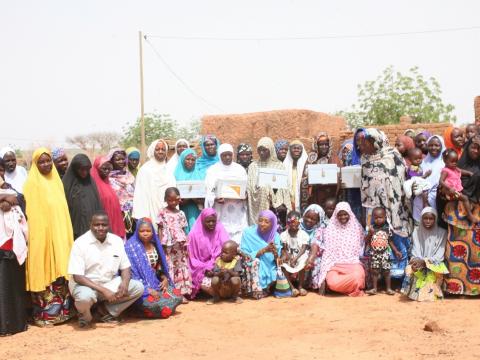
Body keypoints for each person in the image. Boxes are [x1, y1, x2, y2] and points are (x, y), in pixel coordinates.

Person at [23, 148, 74, 327]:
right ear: (35, 165)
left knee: (60, 271)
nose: (46, 165)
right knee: (44, 270)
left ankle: (63, 313)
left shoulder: (57, 182)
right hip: (41, 238)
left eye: (48, 161)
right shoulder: (31, 184)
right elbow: (32, 216)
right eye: (41, 162)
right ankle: (44, 316)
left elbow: (63, 213)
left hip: (59, 236)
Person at [68, 212, 144, 328]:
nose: (100, 228)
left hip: (109, 283)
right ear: (90, 225)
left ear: (109, 225)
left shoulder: (116, 241)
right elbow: (77, 277)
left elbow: (125, 267)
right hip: (86, 285)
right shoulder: (80, 243)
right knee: (84, 298)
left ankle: (104, 312)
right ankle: (85, 317)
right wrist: (104, 291)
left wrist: (124, 283)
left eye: (104, 225)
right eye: (96, 225)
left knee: (138, 287)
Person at [353, 128, 411, 279]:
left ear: (374, 141)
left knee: (396, 237)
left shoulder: (392, 154)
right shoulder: (364, 159)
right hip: (375, 209)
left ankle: (399, 274)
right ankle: (379, 277)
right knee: (377, 238)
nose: (360, 146)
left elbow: (400, 178)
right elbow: (366, 184)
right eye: (358, 143)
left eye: (363, 143)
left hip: (395, 206)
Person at [125, 217, 182, 318]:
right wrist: (148, 290)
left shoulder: (155, 245)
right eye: (142, 231)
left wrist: (164, 279)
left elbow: (158, 268)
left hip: (156, 283)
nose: (145, 233)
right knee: (152, 303)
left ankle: (159, 309)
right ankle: (153, 309)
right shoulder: (130, 247)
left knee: (178, 296)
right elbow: (129, 273)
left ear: (152, 231)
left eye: (148, 231)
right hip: (141, 289)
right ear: (137, 231)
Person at [314, 202, 365, 296]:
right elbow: (326, 250)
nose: (343, 217)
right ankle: (350, 288)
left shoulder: (357, 228)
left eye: (345, 214)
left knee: (359, 277)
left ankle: (345, 288)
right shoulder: (329, 229)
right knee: (332, 282)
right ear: (336, 215)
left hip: (353, 263)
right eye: (340, 215)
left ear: (350, 213)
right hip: (334, 264)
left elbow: (363, 245)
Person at [0, 175, 28, 335]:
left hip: (11, 247)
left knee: (14, 286)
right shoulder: (10, 195)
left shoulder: (12, 192)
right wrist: (6, 198)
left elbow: (20, 199)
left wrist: (9, 198)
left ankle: (16, 324)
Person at [401, 207, 448, 301]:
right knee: (409, 268)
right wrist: (416, 261)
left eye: (431, 219)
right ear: (421, 219)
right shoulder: (416, 231)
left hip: (434, 264)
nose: (428, 221)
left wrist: (426, 262)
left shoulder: (442, 233)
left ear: (435, 219)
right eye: (425, 218)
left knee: (429, 291)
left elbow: (439, 255)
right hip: (419, 261)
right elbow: (415, 250)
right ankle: (412, 292)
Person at [205, 143, 248, 244]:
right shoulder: (213, 170)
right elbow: (208, 191)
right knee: (222, 239)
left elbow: (245, 188)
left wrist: (244, 196)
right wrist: (215, 198)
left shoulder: (240, 169)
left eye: (229, 154)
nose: (227, 157)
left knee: (239, 237)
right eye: (224, 155)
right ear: (219, 156)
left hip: (238, 209)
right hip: (221, 209)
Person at [157, 187, 192, 302]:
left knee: (180, 267)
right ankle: (172, 293)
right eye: (170, 200)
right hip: (167, 245)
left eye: (175, 200)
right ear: (165, 200)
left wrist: (186, 245)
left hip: (180, 245)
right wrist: (160, 244)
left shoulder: (181, 213)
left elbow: (183, 229)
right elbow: (160, 229)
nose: (173, 203)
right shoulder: (162, 212)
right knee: (169, 267)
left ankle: (181, 293)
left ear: (179, 199)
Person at [247, 137, 291, 226]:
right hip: (258, 202)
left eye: (265, 150)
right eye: (259, 150)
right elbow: (250, 186)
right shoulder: (253, 166)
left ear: (271, 149)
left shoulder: (279, 165)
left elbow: (285, 186)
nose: (261, 152)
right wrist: (263, 189)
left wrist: (272, 195)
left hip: (275, 206)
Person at [188, 208, 230, 299]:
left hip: (217, 265)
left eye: (213, 221)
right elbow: (191, 258)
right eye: (208, 221)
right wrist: (205, 268)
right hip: (200, 269)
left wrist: (215, 265)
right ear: (202, 221)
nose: (211, 224)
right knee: (210, 288)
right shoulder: (194, 235)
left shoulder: (219, 229)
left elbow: (227, 247)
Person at [133, 139, 175, 223]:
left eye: (163, 149)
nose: (160, 152)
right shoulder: (145, 170)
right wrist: (143, 217)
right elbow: (140, 196)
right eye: (157, 149)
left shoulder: (169, 170)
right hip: (149, 214)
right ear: (152, 151)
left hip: (168, 213)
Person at [240, 210, 282, 295]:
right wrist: (264, 250)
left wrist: (274, 252)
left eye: (267, 222)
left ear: (273, 223)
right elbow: (244, 254)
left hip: (270, 266)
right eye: (260, 220)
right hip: (252, 264)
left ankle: (266, 288)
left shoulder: (276, 236)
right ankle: (257, 290)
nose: (262, 224)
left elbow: (277, 259)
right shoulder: (248, 233)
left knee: (276, 271)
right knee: (256, 262)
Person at [62, 154, 103, 239]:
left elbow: (98, 205)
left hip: (91, 229)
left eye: (87, 169)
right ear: (75, 169)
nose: (85, 172)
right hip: (73, 230)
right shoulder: (66, 185)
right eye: (81, 169)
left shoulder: (91, 183)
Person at [365, 207, 402, 295]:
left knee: (386, 271)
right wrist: (370, 234)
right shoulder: (371, 228)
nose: (378, 219)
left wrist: (396, 251)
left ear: (385, 217)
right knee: (375, 271)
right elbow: (366, 240)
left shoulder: (387, 228)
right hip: (374, 254)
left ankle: (388, 288)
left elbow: (390, 241)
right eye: (376, 218)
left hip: (385, 253)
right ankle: (374, 288)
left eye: (380, 217)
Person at [90, 156, 126, 239]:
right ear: (97, 169)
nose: (107, 171)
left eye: (109, 168)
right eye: (104, 169)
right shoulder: (94, 186)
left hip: (114, 223)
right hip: (102, 227)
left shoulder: (108, 183)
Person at [439, 148, 478, 223]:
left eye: (456, 161)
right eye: (452, 161)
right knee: (465, 198)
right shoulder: (445, 171)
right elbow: (441, 181)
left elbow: (461, 171)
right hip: (450, 191)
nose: (454, 163)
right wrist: (449, 188)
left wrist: (469, 173)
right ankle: (470, 215)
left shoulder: (455, 168)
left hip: (455, 190)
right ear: (445, 161)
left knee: (463, 198)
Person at [280, 211, 309, 296]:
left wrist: (295, 259)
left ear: (300, 221)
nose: (293, 224)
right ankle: (292, 288)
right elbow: (285, 249)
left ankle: (300, 286)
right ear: (288, 222)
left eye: (296, 222)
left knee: (303, 263)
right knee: (282, 266)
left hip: (299, 256)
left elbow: (303, 249)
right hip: (289, 256)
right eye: (291, 222)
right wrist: (290, 258)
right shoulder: (284, 234)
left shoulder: (303, 234)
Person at [204, 240, 243, 304]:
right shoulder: (218, 260)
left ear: (233, 255)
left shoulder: (236, 260)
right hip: (221, 288)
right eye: (222, 252)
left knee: (235, 279)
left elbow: (237, 274)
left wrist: (228, 271)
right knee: (215, 279)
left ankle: (235, 297)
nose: (222, 254)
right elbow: (215, 274)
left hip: (231, 288)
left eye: (226, 253)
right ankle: (216, 297)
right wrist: (220, 273)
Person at [174, 148, 203, 233]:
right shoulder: (175, 174)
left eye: (193, 160)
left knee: (196, 231)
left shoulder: (200, 175)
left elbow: (204, 196)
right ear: (182, 159)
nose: (190, 162)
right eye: (187, 159)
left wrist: (196, 199)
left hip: (195, 210)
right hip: (181, 209)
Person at [108, 149, 136, 237]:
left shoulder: (130, 176)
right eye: (117, 159)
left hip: (132, 215)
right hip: (117, 216)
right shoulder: (108, 178)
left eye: (123, 159)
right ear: (111, 161)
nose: (121, 161)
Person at [308, 132, 340, 208]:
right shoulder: (311, 159)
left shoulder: (334, 159)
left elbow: (340, 177)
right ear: (317, 146)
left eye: (326, 144)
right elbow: (305, 178)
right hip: (316, 194)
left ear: (329, 146)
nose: (324, 147)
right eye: (321, 145)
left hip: (331, 194)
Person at [283, 140, 309, 212]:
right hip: (289, 200)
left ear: (302, 150)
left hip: (302, 199)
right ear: (290, 150)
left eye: (298, 148)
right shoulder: (284, 165)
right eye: (294, 148)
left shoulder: (307, 165)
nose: (296, 150)